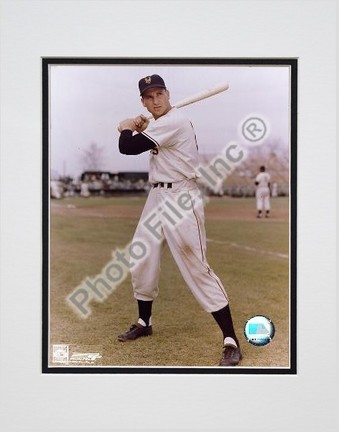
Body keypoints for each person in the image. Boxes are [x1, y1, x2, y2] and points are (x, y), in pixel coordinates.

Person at [117, 74, 242, 367]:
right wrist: (143, 127)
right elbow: (143, 141)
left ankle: (231, 340)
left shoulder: (176, 121)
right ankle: (143, 322)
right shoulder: (160, 123)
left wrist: (125, 128)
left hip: (181, 198)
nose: (155, 100)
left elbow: (128, 147)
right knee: (142, 255)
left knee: (196, 267)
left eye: (159, 94)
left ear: (168, 94)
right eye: (148, 97)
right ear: (143, 101)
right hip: (156, 196)